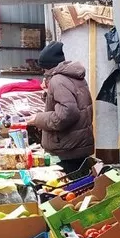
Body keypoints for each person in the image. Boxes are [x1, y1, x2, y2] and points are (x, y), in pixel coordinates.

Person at [28, 41, 94, 173]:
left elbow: (67, 113)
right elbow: (70, 103)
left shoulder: (58, 80)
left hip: (67, 149)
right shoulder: (74, 76)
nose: (43, 73)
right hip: (78, 145)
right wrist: (47, 94)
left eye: (43, 69)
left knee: (67, 184)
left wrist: (37, 119)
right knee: (80, 181)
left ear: (47, 66)